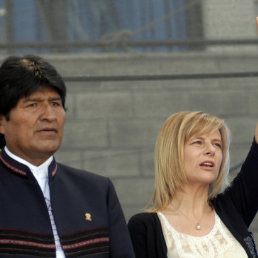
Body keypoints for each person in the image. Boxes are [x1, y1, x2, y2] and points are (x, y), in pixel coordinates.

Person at [0, 55, 134, 258]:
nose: (49, 115)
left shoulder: (97, 191)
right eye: (33, 105)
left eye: (55, 104)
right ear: (2, 122)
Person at [128, 111, 258, 258]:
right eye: (198, 142)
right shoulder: (144, 228)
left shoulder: (232, 209)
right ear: (173, 152)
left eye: (217, 144)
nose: (211, 150)